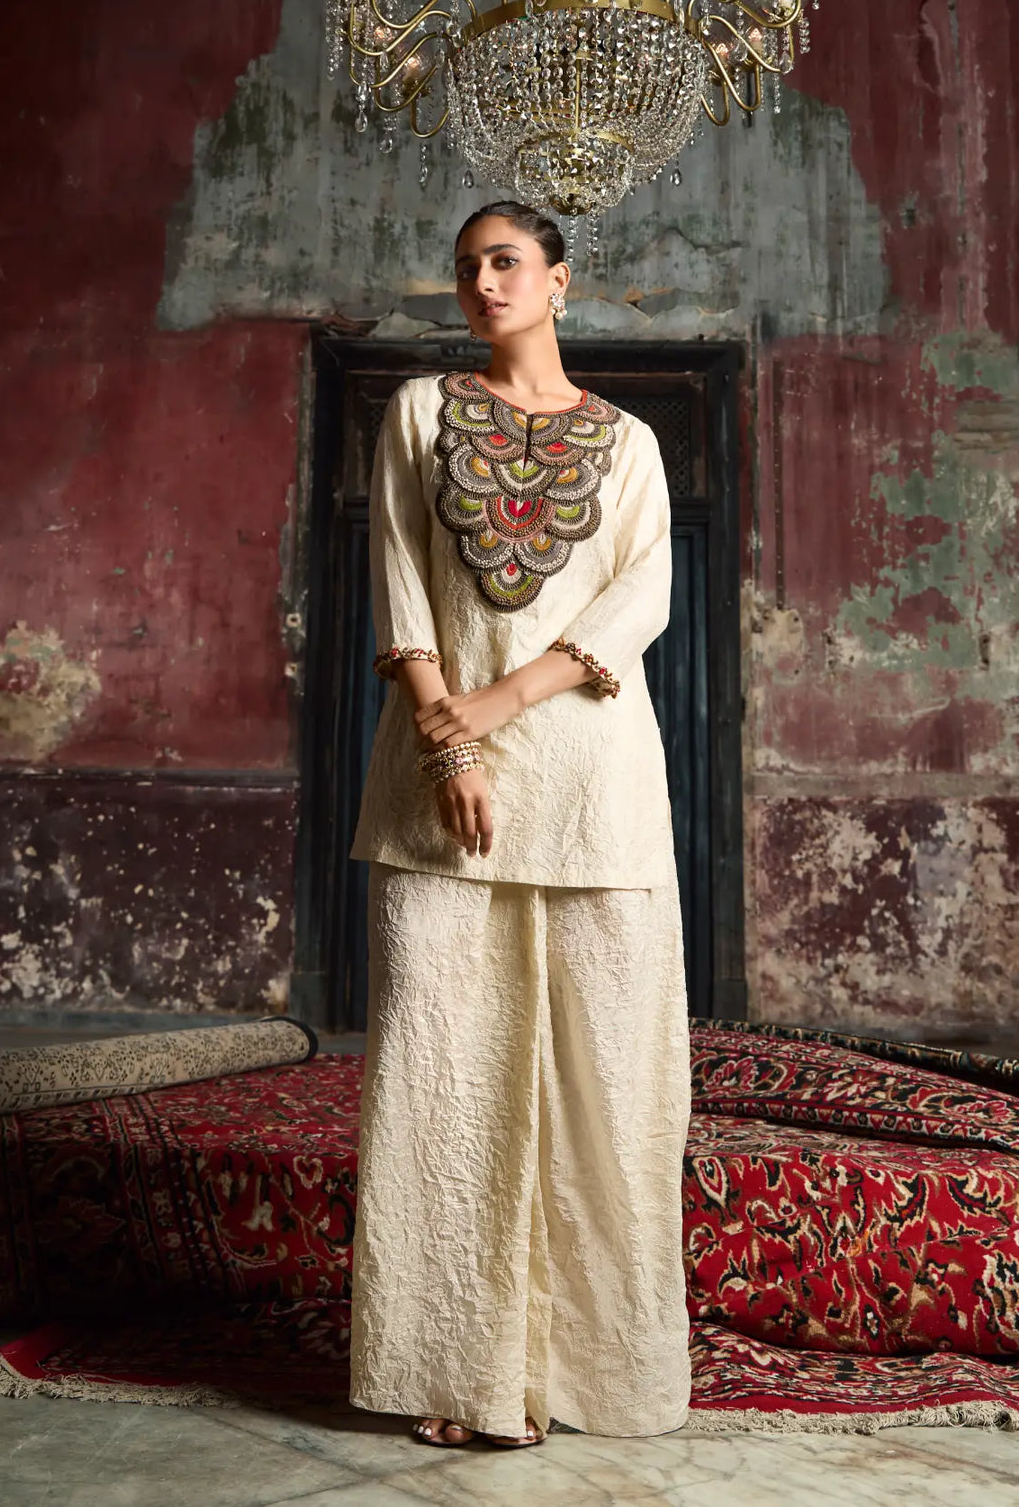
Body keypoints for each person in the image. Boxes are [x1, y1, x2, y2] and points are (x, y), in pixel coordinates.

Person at [348, 199, 691, 1448]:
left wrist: (491, 710)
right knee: (445, 1072)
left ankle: (598, 1375)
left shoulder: (633, 442)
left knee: (611, 1080)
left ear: (560, 282)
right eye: (466, 268)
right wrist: (450, 741)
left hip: (596, 785)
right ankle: (463, 1375)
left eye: (505, 263)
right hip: (442, 790)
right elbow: (400, 582)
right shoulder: (421, 415)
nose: (481, 283)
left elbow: (637, 599)